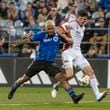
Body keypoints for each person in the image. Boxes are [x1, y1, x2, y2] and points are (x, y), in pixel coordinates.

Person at [8, 20, 84, 104]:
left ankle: (74, 97)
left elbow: (70, 42)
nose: (51, 30)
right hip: (39, 62)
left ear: (55, 28)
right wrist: (16, 44)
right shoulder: (41, 35)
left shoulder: (58, 36)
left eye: (52, 28)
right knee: (24, 79)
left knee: (62, 78)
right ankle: (14, 86)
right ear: (45, 28)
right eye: (49, 28)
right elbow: (28, 40)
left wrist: (68, 34)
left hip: (49, 63)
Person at [51, 10, 107, 101]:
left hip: (78, 53)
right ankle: (56, 85)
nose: (82, 21)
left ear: (86, 20)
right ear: (78, 17)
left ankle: (97, 95)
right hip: (67, 52)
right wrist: (67, 38)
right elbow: (58, 29)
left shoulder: (83, 28)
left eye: (84, 19)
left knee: (90, 72)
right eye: (81, 18)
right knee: (69, 75)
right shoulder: (72, 23)